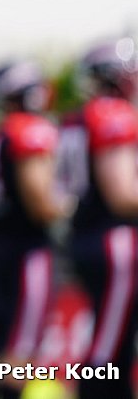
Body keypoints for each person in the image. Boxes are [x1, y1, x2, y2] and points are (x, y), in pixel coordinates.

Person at [0, 59, 65, 399]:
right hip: (26, 249)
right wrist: (70, 207)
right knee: (22, 351)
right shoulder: (27, 131)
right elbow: (38, 198)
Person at [61, 36, 138, 399]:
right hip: (113, 243)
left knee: (116, 345)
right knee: (109, 352)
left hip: (87, 236)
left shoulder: (75, 120)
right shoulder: (112, 115)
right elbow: (122, 194)